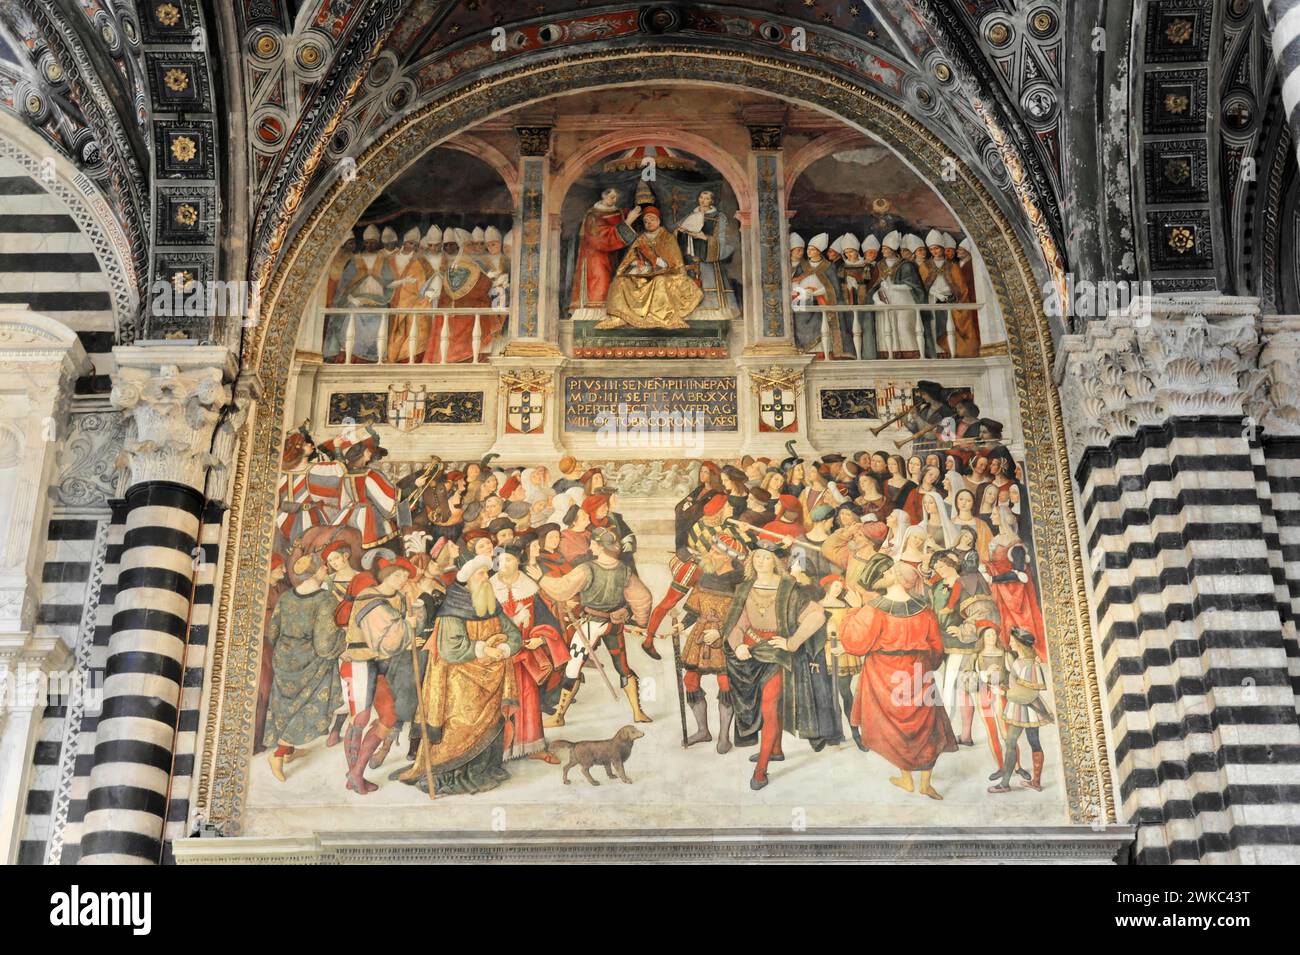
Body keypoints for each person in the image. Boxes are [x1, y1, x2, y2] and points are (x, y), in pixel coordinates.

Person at [396, 555, 524, 795]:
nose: (486, 578)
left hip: (491, 682)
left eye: (486, 573)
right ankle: (452, 775)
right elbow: (450, 648)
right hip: (460, 682)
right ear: (467, 580)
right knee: (459, 728)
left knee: (491, 727)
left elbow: (513, 634)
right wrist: (483, 648)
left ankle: (482, 770)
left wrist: (505, 648)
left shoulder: (490, 603)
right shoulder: (453, 609)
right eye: (481, 574)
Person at [718, 541, 839, 791]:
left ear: (776, 562)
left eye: (766, 557)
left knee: (770, 707)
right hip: (750, 655)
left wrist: (792, 642)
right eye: (757, 556)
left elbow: (817, 615)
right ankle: (775, 750)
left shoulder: (789, 589)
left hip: (777, 657)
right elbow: (736, 622)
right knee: (765, 707)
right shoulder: (745, 587)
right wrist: (738, 643)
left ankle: (761, 769)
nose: (760, 561)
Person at [835, 562, 957, 800]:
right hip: (919, 672)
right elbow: (937, 649)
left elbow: (856, 643)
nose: (885, 574)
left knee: (897, 729)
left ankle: (908, 779)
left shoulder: (874, 609)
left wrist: (853, 610)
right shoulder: (924, 609)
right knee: (925, 727)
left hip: (884, 674)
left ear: (899, 580)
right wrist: (922, 665)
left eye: (890, 572)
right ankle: (923, 783)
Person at [538, 529, 654, 726]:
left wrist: (541, 579)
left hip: (590, 624)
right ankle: (637, 712)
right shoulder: (624, 570)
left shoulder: (587, 569)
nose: (590, 546)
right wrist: (641, 621)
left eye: (593, 543)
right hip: (613, 625)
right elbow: (643, 598)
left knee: (573, 667)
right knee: (623, 667)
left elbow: (562, 588)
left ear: (601, 547)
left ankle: (559, 717)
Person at [262, 555, 344, 781]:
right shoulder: (326, 600)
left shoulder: (287, 596)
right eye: (323, 566)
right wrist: (344, 639)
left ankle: (289, 751)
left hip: (284, 657)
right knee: (309, 705)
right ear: (317, 572)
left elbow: (273, 632)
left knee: (287, 705)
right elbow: (325, 644)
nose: (326, 567)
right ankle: (277, 755)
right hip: (311, 661)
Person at [600, 206, 704, 329]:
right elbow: (629, 260)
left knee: (659, 281)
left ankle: (661, 317)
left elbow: (676, 264)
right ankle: (619, 317)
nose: (648, 223)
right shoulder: (640, 239)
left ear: (658, 221)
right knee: (619, 282)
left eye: (651, 220)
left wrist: (659, 262)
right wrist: (636, 264)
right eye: (646, 221)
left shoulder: (668, 238)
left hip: (666, 275)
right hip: (641, 276)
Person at [987, 627, 1053, 793]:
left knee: (1018, 743)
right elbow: (1018, 685)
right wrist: (1005, 686)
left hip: (1026, 708)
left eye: (1012, 641)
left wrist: (1003, 692)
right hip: (1020, 706)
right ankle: (1021, 782)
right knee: (1020, 743)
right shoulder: (1019, 662)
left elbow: (1029, 693)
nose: (1009, 643)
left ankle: (1008, 784)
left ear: (1020, 644)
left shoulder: (1031, 665)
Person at [570, 187, 640, 320]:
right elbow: (601, 238)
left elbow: (624, 224)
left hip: (612, 255)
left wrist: (633, 215)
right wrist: (628, 221)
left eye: (615, 197)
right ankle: (594, 315)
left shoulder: (618, 212)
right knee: (600, 283)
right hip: (595, 256)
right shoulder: (593, 215)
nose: (614, 200)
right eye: (611, 196)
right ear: (603, 195)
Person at [675, 189, 740, 320]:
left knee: (709, 283)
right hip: (692, 256)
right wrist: (680, 232)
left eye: (706, 198)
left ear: (712, 201)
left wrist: (705, 238)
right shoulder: (692, 214)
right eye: (701, 197)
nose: (703, 200)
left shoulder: (718, 217)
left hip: (708, 256)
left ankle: (713, 314)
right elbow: (678, 232)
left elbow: (725, 239)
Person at [385, 226, 432, 362]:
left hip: (412, 301)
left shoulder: (421, 261)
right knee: (394, 333)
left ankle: (406, 357)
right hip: (393, 300)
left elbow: (428, 280)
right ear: (404, 243)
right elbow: (385, 279)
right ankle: (392, 358)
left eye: (416, 245)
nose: (413, 247)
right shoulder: (391, 259)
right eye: (411, 243)